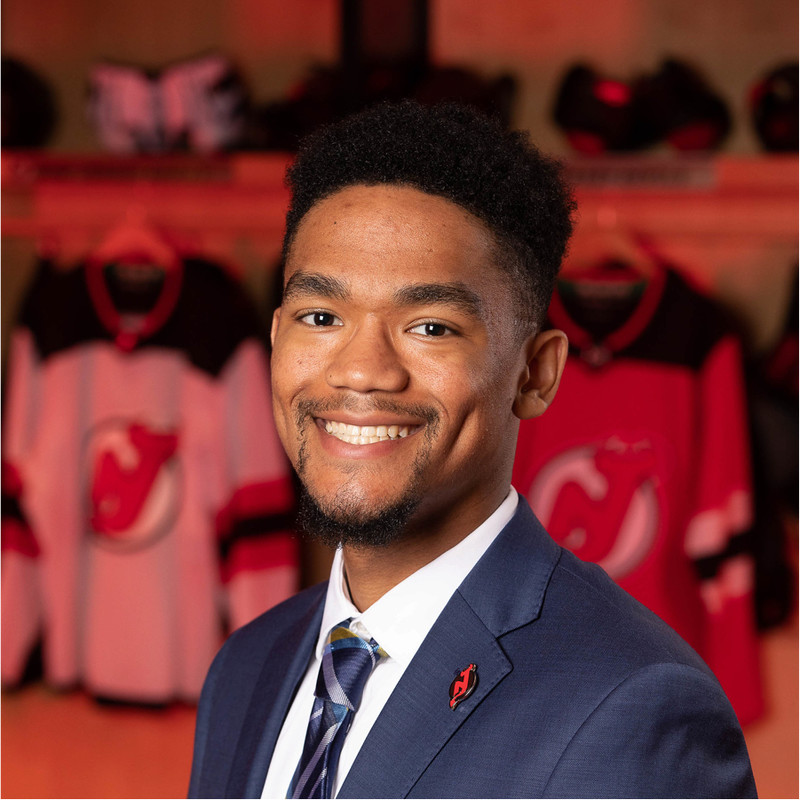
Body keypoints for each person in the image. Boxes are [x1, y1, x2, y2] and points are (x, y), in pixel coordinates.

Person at [188, 100, 756, 799]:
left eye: (430, 327)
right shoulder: (246, 666)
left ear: (536, 374)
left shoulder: (634, 707)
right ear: (276, 339)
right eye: (321, 317)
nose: (362, 370)